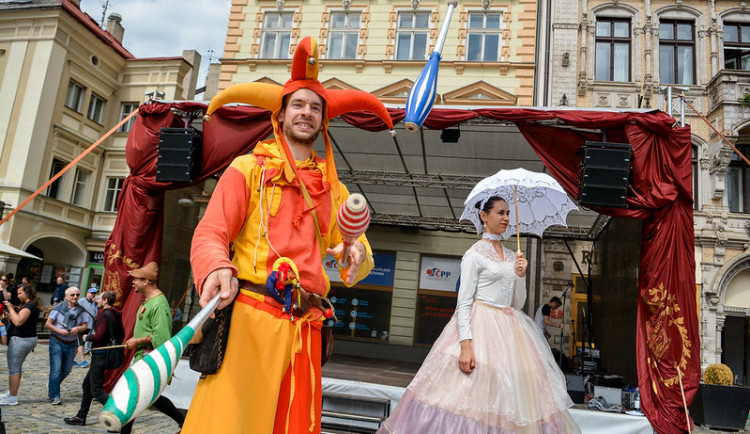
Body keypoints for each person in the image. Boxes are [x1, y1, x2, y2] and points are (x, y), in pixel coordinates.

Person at [182, 37, 392, 434]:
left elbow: (358, 248)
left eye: (316, 107)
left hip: (306, 329)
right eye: (298, 104)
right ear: (280, 115)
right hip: (250, 321)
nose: (307, 112)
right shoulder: (247, 169)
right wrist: (216, 267)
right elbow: (211, 232)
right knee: (229, 425)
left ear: (323, 121)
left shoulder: (335, 189)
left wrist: (355, 254)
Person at [378, 196, 580, 433]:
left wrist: (521, 275)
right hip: (480, 326)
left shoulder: (512, 255)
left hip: (510, 331)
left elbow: (517, 304)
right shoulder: (474, 254)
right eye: (500, 213)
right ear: (484, 216)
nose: (506, 218)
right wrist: (465, 346)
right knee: (468, 397)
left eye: (508, 214)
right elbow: (463, 302)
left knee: (508, 400)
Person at [120, 262, 184, 434]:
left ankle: (184, 421)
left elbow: (161, 338)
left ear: (146, 281)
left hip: (149, 359)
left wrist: (137, 341)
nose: (133, 282)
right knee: (146, 398)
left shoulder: (159, 304)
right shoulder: (149, 300)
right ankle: (184, 421)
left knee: (134, 398)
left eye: (136, 280)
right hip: (143, 357)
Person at [63, 290, 124, 426]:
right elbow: (122, 334)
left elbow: (99, 336)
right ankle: (81, 416)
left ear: (106, 300)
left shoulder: (104, 315)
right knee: (87, 385)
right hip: (105, 355)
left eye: (100, 298)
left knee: (96, 389)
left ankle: (120, 414)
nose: (97, 300)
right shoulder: (116, 314)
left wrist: (87, 337)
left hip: (100, 355)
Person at [45, 286, 88, 405]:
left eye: (77, 295)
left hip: (71, 342)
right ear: (66, 296)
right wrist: (60, 331)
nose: (75, 297)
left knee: (67, 369)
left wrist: (78, 328)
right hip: (57, 340)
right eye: (72, 295)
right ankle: (55, 396)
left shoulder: (81, 310)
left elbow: (85, 326)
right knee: (56, 369)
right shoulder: (58, 308)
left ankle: (52, 384)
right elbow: (48, 324)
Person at [0, 284, 41, 406]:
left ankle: (12, 397)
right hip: (28, 338)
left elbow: (18, 322)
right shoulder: (30, 305)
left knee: (14, 369)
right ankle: (11, 393)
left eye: (20, 293)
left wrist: (10, 308)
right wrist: (9, 314)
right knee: (17, 367)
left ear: (27, 293)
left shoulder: (29, 306)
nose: (18, 296)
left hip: (21, 339)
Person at [74, 287, 99, 368]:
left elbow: (94, 315)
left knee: (80, 344)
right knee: (80, 343)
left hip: (88, 327)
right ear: (87, 293)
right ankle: (83, 361)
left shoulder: (93, 303)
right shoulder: (81, 301)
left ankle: (70, 360)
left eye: (94, 294)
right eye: (91, 293)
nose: (93, 295)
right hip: (80, 326)